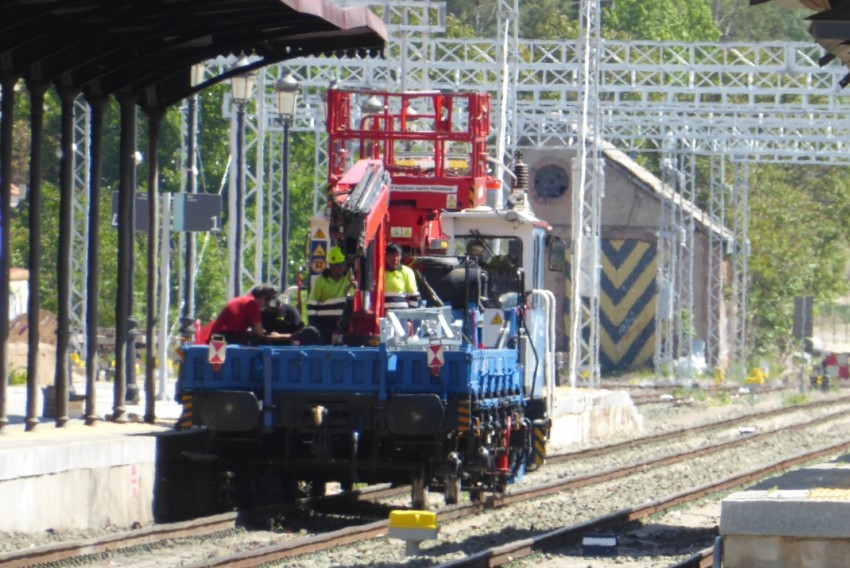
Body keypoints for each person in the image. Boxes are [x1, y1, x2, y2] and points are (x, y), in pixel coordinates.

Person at [307, 245, 354, 344]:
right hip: (324, 324)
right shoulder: (321, 280)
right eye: (338, 265)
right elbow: (312, 303)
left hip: (341, 325)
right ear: (331, 265)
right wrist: (312, 325)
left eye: (343, 264)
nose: (341, 268)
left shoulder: (348, 277)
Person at [207, 284, 279, 345]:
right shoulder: (252, 303)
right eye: (267, 301)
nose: (265, 306)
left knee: (251, 337)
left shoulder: (244, 299)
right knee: (262, 341)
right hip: (224, 337)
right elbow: (259, 333)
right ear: (263, 298)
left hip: (218, 336)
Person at [384, 242, 420, 310]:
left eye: (397, 255)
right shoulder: (380, 272)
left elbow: (414, 296)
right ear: (386, 257)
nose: (395, 259)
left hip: (402, 315)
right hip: (383, 315)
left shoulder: (407, 272)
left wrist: (410, 319)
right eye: (391, 256)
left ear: (401, 256)